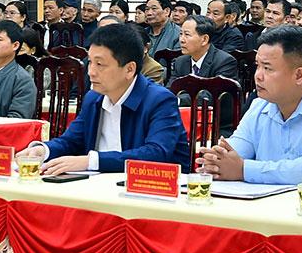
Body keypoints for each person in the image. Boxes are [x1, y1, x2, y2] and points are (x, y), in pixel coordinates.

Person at [197, 26, 302, 185]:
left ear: (299, 75)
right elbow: (234, 153)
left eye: (267, 68)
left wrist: (244, 170)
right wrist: (217, 161)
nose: (258, 76)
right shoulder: (259, 106)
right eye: (257, 66)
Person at [21, 23, 188, 173]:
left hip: (151, 188)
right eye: (90, 62)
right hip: (99, 184)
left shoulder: (159, 100)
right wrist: (43, 150)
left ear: (129, 69)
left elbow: (156, 153)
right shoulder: (93, 98)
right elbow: (71, 140)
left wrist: (90, 161)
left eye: (100, 64)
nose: (91, 72)